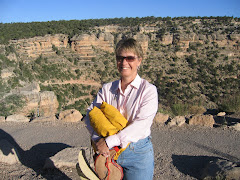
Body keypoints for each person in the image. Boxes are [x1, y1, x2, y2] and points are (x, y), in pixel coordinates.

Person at [84, 38, 158, 180]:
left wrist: (108, 142)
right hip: (108, 151)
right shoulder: (107, 89)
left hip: (137, 153)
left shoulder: (148, 91)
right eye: (120, 58)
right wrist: (98, 140)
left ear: (139, 61)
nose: (124, 63)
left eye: (130, 58)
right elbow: (89, 114)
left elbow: (141, 125)